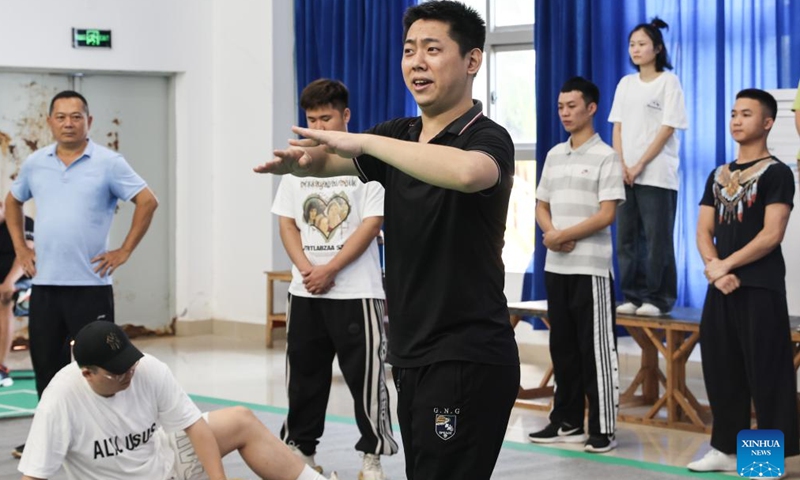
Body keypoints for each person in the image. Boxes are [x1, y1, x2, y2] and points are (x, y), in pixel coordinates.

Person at [255, 2, 520, 479]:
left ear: (472, 60)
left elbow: (467, 173)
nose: (416, 62)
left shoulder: (485, 136)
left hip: (466, 354)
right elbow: (330, 161)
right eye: (408, 50)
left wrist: (366, 143)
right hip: (412, 351)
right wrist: (302, 163)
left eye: (433, 49)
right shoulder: (402, 134)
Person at [5, 90, 160, 458]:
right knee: (47, 369)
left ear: (89, 122)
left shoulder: (109, 163)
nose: (68, 123)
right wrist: (20, 249)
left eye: (76, 116)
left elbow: (147, 200)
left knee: (101, 369)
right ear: (49, 122)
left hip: (90, 287)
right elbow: (13, 201)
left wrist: (124, 251)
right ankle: (47, 442)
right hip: (45, 287)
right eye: (61, 117)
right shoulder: (36, 163)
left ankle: (103, 439)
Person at [17, 320, 338, 480]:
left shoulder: (148, 369)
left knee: (241, 419)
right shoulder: (60, 400)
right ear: (88, 374)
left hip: (165, 463)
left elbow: (195, 427)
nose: (129, 374)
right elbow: (32, 474)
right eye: (118, 372)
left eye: (131, 364)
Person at [271, 79, 397, 480]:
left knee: (366, 379)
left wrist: (330, 269)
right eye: (312, 119)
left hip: (357, 292)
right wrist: (307, 269)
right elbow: (287, 225)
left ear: (345, 116)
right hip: (304, 291)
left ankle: (371, 458)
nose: (319, 125)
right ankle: (301, 453)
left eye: (326, 118)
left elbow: (371, 223)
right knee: (304, 377)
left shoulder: (366, 162)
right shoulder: (297, 164)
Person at [688, 89, 798, 472]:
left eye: (746, 114)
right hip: (722, 288)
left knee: (766, 371)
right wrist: (716, 268)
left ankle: (768, 459)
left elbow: (772, 234)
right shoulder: (717, 175)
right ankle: (725, 448)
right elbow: (704, 229)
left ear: (767, 122)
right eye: (734, 113)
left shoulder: (778, 173)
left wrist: (725, 265)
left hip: (761, 287)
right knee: (721, 368)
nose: (736, 120)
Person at [527, 77, 625, 453]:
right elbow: (541, 204)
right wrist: (552, 234)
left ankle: (602, 428)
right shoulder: (554, 154)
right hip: (557, 267)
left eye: (572, 106)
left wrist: (565, 234)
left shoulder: (606, 156)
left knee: (595, 350)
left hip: (591, 269)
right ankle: (566, 420)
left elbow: (607, 214)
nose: (565, 112)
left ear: (591, 109)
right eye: (560, 106)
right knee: (562, 347)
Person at [609, 18, 688, 317]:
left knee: (657, 239)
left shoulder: (669, 81)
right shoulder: (625, 84)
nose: (636, 49)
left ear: (657, 48)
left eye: (642, 44)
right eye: (632, 44)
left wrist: (640, 163)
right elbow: (617, 127)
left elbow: (668, 127)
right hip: (626, 173)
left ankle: (658, 297)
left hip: (657, 174)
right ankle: (634, 294)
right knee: (627, 238)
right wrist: (623, 164)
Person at [0, 200, 34, 388]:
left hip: (23, 280)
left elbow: (26, 257)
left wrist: (8, 283)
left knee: (3, 298)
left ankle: (1, 368)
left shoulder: (24, 223)